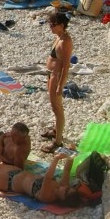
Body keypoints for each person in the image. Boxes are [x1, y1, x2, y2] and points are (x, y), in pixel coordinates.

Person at [42, 11, 74, 152]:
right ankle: (56, 130)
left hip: (56, 76)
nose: (51, 28)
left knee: (57, 109)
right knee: (53, 106)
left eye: (53, 25)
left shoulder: (65, 41)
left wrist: (60, 85)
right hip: (51, 75)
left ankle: (58, 142)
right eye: (50, 25)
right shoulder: (58, 37)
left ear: (61, 25)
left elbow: (66, 65)